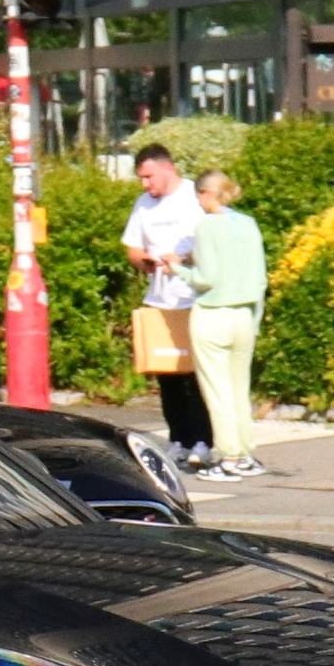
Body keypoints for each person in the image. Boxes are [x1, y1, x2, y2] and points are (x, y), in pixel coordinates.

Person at [158, 170, 269, 480]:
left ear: (207, 194)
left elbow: (206, 279)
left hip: (213, 314)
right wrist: (255, 320)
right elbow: (260, 278)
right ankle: (245, 454)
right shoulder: (248, 224)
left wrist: (177, 268)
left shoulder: (207, 226)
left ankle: (229, 458)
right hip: (244, 315)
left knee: (217, 391)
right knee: (238, 389)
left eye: (199, 196)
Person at [119, 143, 217, 467]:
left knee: (194, 374)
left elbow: (212, 240)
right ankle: (179, 439)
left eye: (149, 177)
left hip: (191, 297)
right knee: (168, 374)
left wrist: (182, 258)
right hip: (159, 298)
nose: (145, 184)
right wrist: (142, 260)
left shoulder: (193, 197)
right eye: (142, 178)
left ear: (167, 168)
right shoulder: (144, 204)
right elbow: (132, 245)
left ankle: (202, 439)